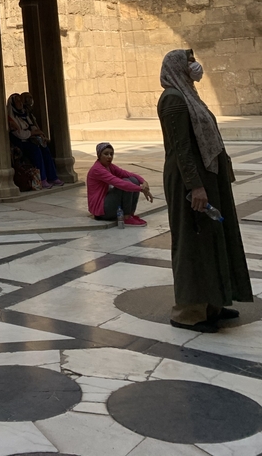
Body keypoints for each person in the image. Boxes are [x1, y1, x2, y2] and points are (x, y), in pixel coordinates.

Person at [158, 48, 253, 333]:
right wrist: (196, 186)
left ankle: (213, 302)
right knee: (194, 240)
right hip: (192, 181)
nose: (194, 65)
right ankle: (189, 311)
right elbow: (181, 149)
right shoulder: (174, 99)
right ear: (177, 66)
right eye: (188, 61)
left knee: (214, 237)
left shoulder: (188, 94)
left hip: (207, 177)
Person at [86, 142, 152, 225]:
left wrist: (143, 181)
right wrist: (141, 189)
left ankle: (130, 214)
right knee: (126, 183)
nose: (109, 157)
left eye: (111, 154)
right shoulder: (97, 169)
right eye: (106, 154)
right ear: (99, 155)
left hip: (106, 203)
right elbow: (119, 183)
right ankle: (126, 217)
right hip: (100, 210)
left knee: (133, 180)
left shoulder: (109, 166)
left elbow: (127, 174)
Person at [18, 93, 64, 187]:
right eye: (28, 98)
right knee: (36, 150)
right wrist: (33, 134)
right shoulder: (12, 116)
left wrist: (40, 134)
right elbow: (19, 133)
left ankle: (52, 177)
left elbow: (32, 126)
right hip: (21, 142)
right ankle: (42, 179)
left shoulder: (25, 113)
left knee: (45, 149)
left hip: (32, 139)